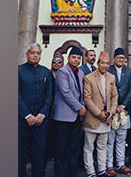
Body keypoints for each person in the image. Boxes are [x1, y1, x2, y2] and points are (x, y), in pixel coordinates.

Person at [19, 43, 54, 177]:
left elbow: (49, 95)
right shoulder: (18, 71)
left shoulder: (46, 72)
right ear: (27, 54)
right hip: (22, 122)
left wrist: (42, 113)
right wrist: (27, 115)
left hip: (41, 122)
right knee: (20, 155)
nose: (35, 55)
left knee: (39, 155)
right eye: (33, 53)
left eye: (38, 53)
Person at [83, 51, 118, 177]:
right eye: (102, 63)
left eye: (107, 63)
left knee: (102, 146)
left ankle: (102, 171)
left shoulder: (111, 77)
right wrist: (99, 113)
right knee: (89, 147)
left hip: (106, 117)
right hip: (93, 118)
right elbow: (87, 99)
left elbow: (115, 96)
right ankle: (90, 172)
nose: (104, 66)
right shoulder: (89, 78)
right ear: (98, 63)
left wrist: (111, 112)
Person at [53, 45, 86, 177]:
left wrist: (82, 106)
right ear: (68, 58)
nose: (76, 60)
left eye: (78, 58)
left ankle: (72, 173)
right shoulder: (62, 72)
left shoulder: (81, 72)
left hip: (77, 118)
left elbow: (82, 93)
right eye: (74, 57)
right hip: (63, 118)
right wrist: (80, 107)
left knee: (73, 149)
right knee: (61, 150)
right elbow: (66, 93)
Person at [106, 48, 131, 176]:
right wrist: (115, 106)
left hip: (124, 110)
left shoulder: (129, 72)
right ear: (114, 59)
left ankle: (120, 164)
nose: (121, 60)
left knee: (121, 139)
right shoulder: (108, 70)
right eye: (118, 58)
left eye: (123, 58)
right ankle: (109, 165)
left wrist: (123, 105)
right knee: (110, 139)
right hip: (112, 111)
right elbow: (106, 89)